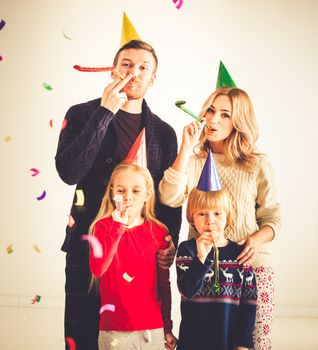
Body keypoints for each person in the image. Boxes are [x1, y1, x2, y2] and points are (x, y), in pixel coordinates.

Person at [55, 40, 181, 350]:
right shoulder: (82, 114)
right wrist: (105, 112)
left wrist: (171, 240)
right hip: (89, 247)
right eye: (126, 64)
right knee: (82, 337)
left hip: (141, 257)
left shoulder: (163, 133)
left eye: (143, 68)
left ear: (153, 78)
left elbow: (166, 197)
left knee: (136, 339)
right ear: (114, 69)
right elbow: (69, 172)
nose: (134, 73)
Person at [159, 87, 281, 349]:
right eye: (211, 110)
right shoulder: (193, 160)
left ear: (239, 121)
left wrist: (257, 240)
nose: (214, 120)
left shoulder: (257, 163)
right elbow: (169, 197)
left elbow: (273, 217)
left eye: (226, 115)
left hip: (250, 268)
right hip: (205, 270)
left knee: (252, 342)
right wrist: (186, 148)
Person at [89, 162, 177, 350]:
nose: (128, 197)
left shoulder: (158, 232)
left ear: (147, 194)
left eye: (136, 191)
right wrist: (118, 227)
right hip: (115, 329)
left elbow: (163, 284)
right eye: (121, 190)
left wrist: (167, 327)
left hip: (152, 328)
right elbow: (98, 268)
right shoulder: (102, 228)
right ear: (112, 192)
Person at [176, 185, 257, 350]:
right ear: (192, 218)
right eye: (202, 213)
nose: (210, 220)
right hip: (193, 343)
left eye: (217, 213)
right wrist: (201, 257)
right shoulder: (187, 250)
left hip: (228, 342)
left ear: (229, 217)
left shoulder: (240, 254)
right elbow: (187, 290)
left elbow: (248, 303)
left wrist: (243, 343)